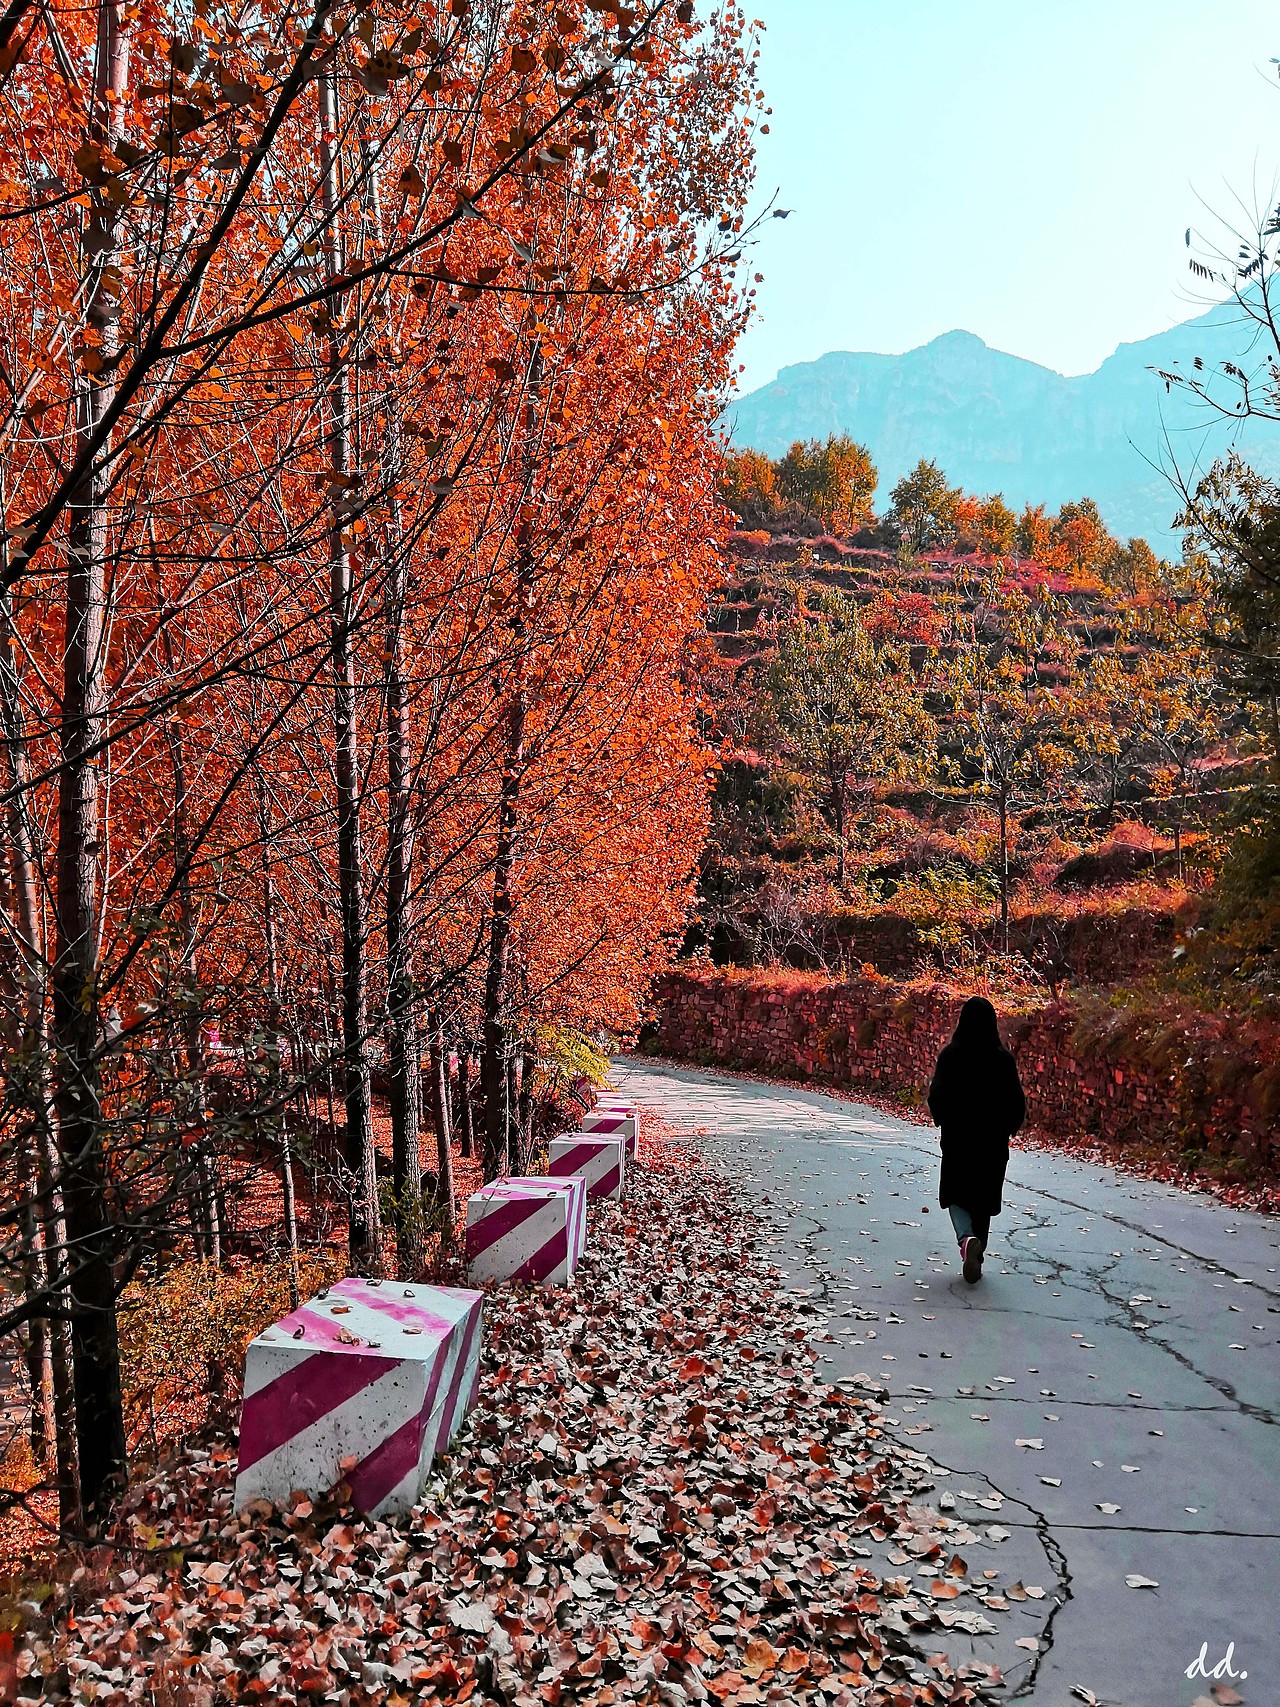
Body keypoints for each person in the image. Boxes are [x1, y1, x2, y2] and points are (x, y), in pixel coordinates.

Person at [927, 996, 1026, 1283]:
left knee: (955, 1195)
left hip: (958, 1141)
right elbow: (1015, 1102)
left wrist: (942, 1119)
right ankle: (977, 1253)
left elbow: (938, 1096)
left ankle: (966, 1239)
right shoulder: (1003, 1059)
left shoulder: (951, 1056)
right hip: (992, 1144)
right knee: (983, 1199)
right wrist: (1010, 1128)